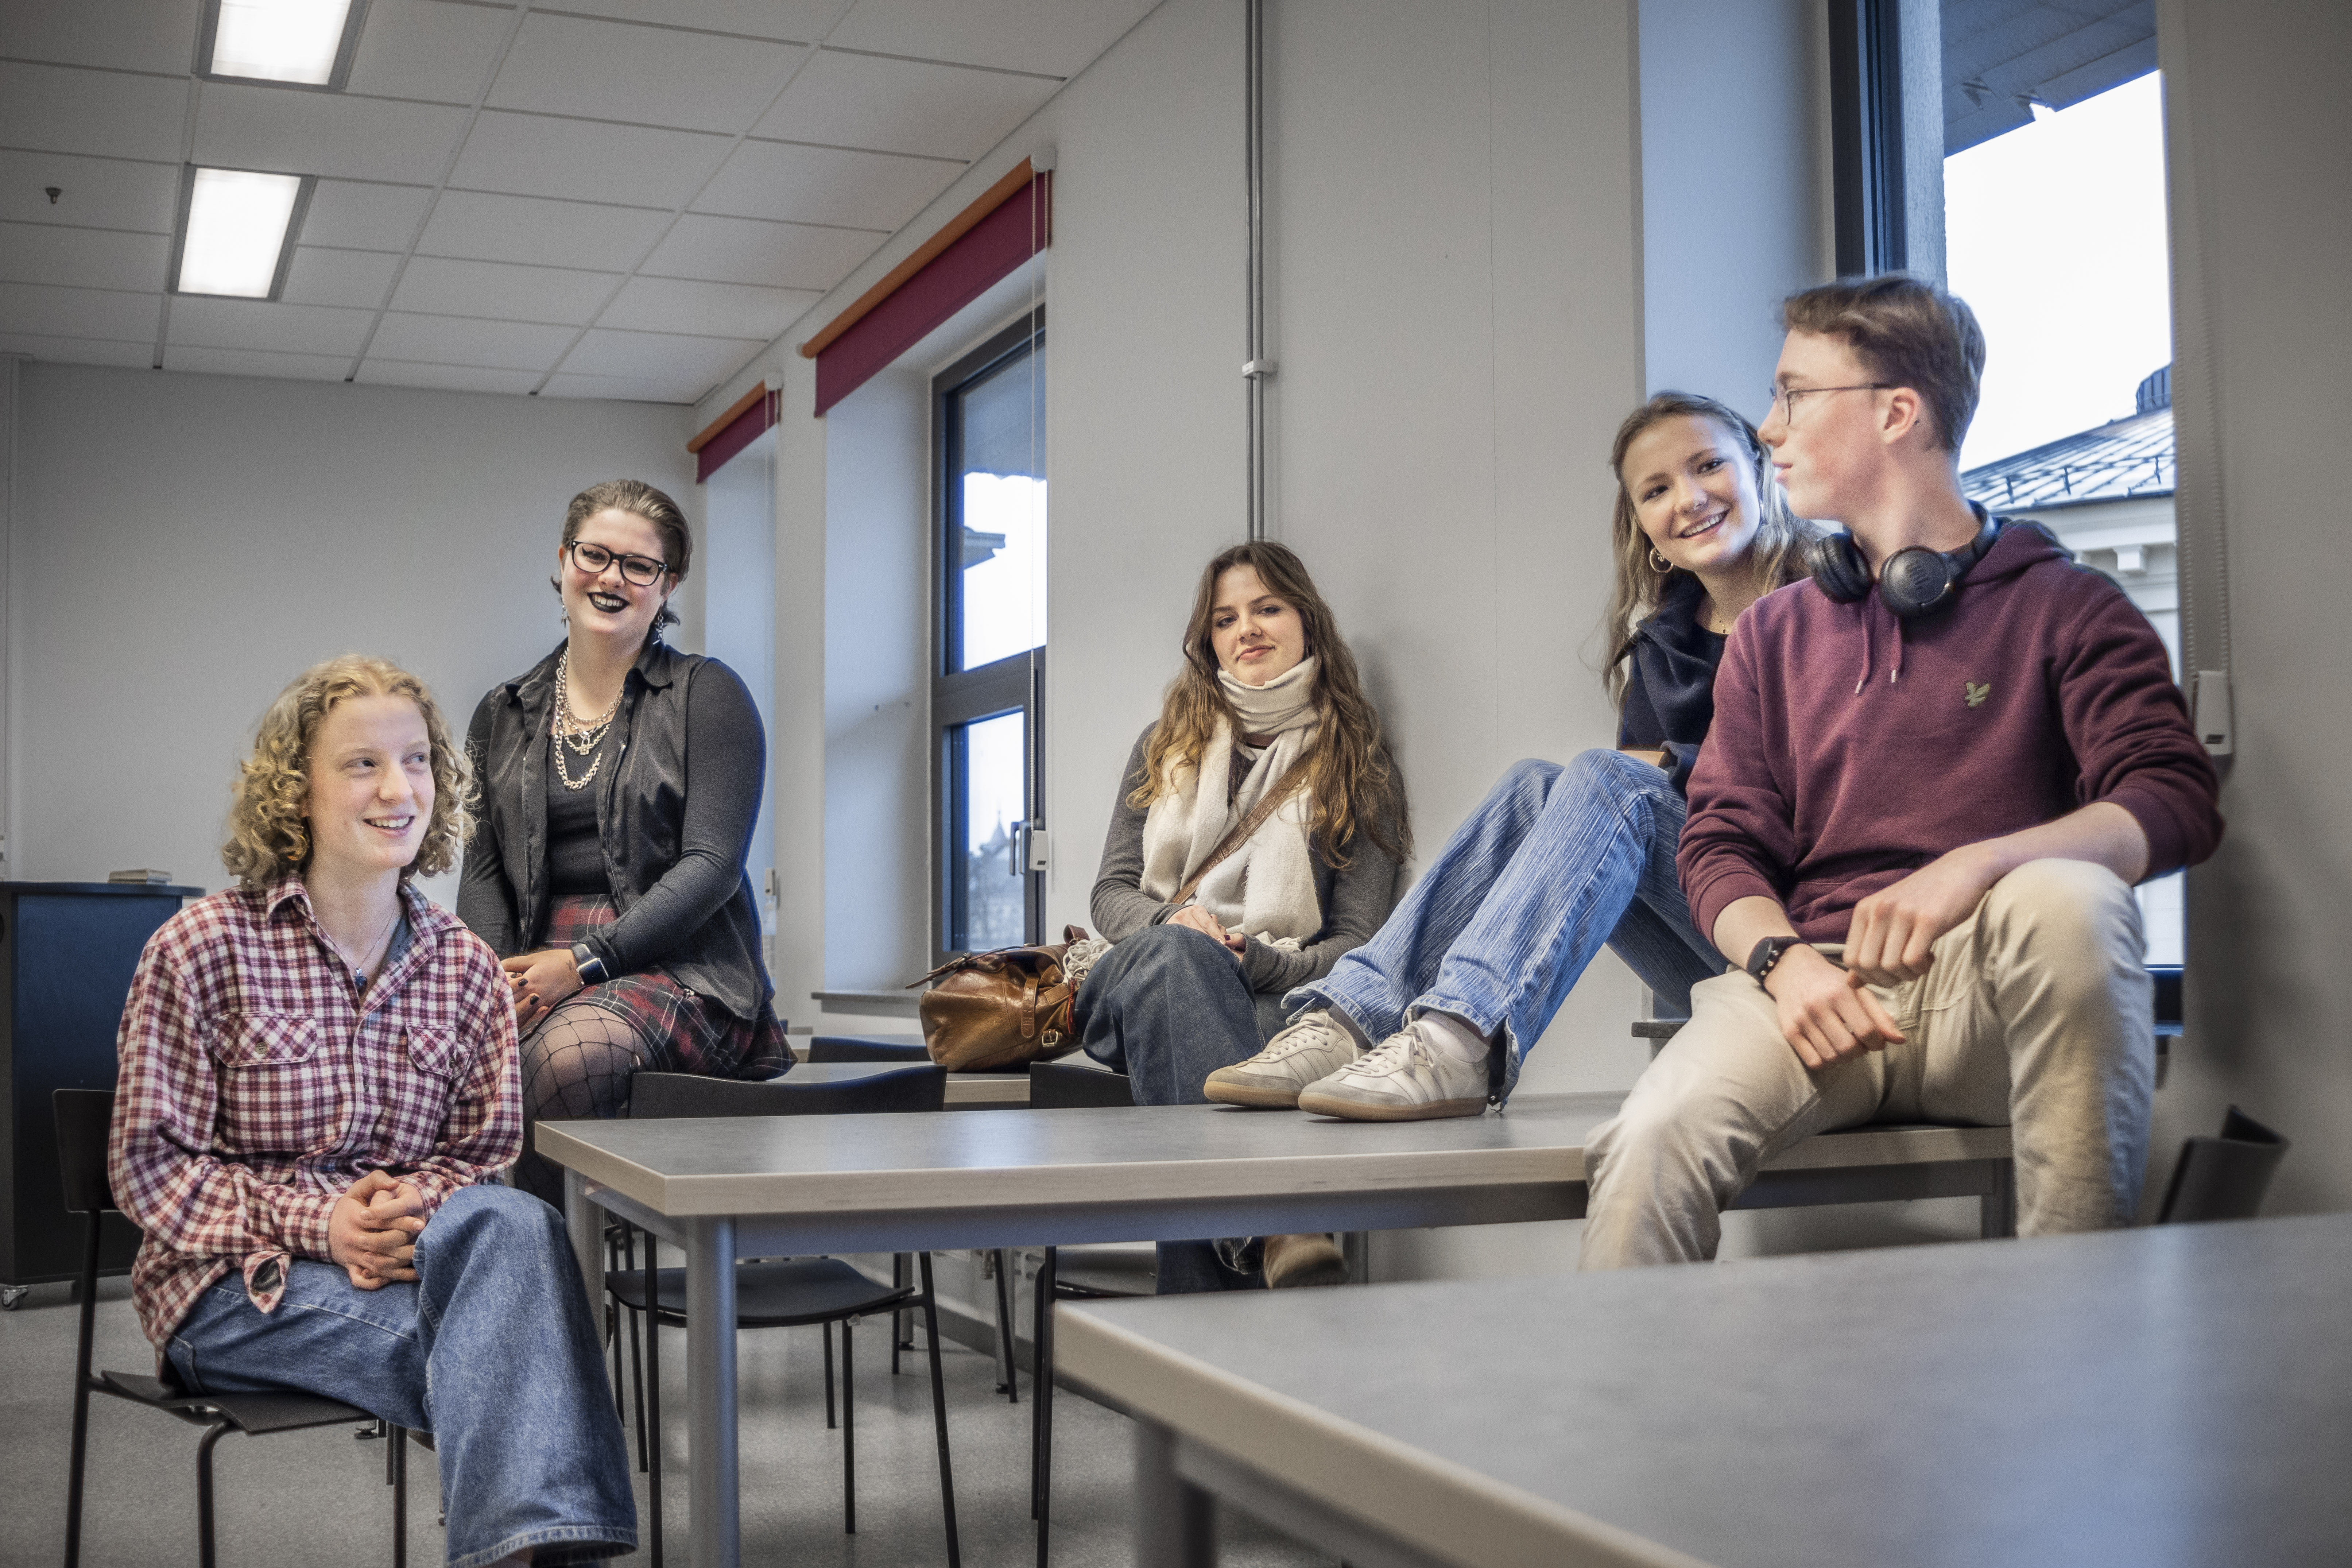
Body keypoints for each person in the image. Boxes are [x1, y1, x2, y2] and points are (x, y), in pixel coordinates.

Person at [1578, 275, 2224, 1267]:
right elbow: (1716, 845)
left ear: (1895, 411)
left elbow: (2172, 796)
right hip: (1815, 991)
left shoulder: (2070, 607)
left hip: (1985, 996)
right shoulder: (1773, 633)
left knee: (2066, 896)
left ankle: (2082, 1339)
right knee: (1651, 1141)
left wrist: (1976, 865)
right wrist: (1779, 961)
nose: (1769, 425)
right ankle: (1624, 1423)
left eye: (1795, 394)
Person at [109, 655, 635, 1567]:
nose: (401, 788)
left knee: (513, 1218)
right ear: (296, 789)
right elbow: (154, 1168)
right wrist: (326, 1221)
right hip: (236, 1288)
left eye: (418, 760)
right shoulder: (199, 947)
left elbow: (479, 1156)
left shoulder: (466, 966)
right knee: (516, 1360)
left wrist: (397, 1214)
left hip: (411, 1262)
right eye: (363, 765)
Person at [1204, 392, 1816, 1120]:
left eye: (1707, 465)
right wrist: (1671, 771)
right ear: (1643, 525)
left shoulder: (1836, 602)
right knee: (1536, 785)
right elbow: (1650, 823)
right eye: (1656, 489)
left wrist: (1676, 766)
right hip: (1710, 943)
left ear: (1758, 465)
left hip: (1801, 934)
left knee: (1604, 775)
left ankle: (1462, 1036)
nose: (1687, 499)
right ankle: (1350, 1017)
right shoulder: (1664, 648)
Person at [1082, 541, 1410, 1289]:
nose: (1247, 629)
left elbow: (1358, 944)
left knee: (1194, 1096)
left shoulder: (1358, 762)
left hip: (1270, 997)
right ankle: (1276, 1214)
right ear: (1209, 640)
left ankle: (1206, 1344)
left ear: (1307, 622)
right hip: (1134, 982)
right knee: (1178, 960)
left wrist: (1259, 961)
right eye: (1226, 618)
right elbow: (1110, 893)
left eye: (1267, 608)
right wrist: (1175, 921)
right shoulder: (1166, 743)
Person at [460, 479, 787, 1204]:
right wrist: (491, 983)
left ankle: (557, 1298)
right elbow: (482, 868)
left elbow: (713, 866)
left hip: (683, 972)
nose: (612, 577)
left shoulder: (709, 695)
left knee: (564, 1060)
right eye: (596, 555)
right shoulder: (502, 714)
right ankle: (514, 1276)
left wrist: (581, 962)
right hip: (536, 969)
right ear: (563, 560)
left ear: (667, 584)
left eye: (639, 566)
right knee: (438, 1061)